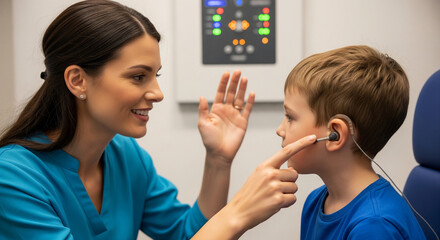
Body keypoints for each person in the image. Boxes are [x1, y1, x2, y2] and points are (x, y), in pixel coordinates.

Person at [0, 0, 317, 239]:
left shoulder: (126, 156)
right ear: (77, 80)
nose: (157, 93)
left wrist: (218, 160)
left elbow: (188, 234)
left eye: (156, 76)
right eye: (138, 77)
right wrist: (239, 212)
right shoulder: (12, 178)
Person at [276, 45, 426, 239]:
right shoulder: (316, 202)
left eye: (290, 117)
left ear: (335, 134)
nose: (280, 130)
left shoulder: (374, 226)